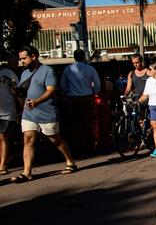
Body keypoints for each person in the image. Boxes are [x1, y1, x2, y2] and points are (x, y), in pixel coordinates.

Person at [10, 46, 77, 183]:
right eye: (20, 58)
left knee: (55, 139)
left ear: (33, 56)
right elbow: (23, 93)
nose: (21, 61)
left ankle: (70, 162)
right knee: (28, 138)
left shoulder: (47, 71)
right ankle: (26, 172)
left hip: (46, 112)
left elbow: (51, 90)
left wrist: (37, 101)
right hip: (29, 113)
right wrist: (17, 95)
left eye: (24, 58)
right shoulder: (24, 73)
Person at [60, 49, 101, 154]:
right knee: (88, 122)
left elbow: (63, 84)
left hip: (73, 98)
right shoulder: (90, 69)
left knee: (75, 123)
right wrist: (95, 92)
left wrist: (66, 93)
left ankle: (77, 146)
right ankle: (90, 146)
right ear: (84, 57)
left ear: (74, 57)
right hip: (87, 97)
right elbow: (97, 83)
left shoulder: (67, 69)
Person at [0, 59, 19, 175]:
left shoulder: (8, 73)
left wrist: (23, 108)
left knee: (3, 137)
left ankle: (2, 164)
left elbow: (17, 92)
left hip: (7, 111)